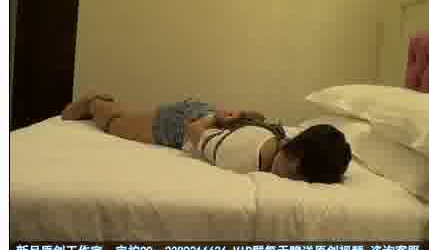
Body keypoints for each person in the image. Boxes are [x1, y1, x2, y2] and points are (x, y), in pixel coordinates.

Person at [61, 92, 351, 183]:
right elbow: (193, 131)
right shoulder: (243, 155)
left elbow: (259, 117)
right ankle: (94, 101)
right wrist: (213, 120)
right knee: (116, 125)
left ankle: (106, 103)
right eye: (295, 170)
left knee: (130, 121)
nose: (290, 176)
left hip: (207, 115)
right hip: (185, 124)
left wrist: (239, 115)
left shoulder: (281, 140)